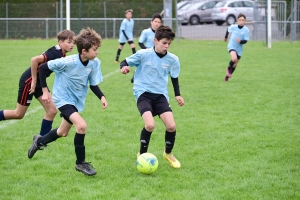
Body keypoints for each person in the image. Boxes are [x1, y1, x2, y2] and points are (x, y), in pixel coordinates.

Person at [28, 27, 108, 176]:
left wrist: (102, 96)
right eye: (95, 49)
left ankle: (38, 142)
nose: (97, 52)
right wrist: (45, 90)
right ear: (84, 51)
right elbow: (43, 68)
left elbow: (93, 83)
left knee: (62, 132)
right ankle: (81, 163)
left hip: (76, 100)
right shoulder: (67, 61)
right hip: (62, 98)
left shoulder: (95, 63)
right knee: (82, 126)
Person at [120, 25, 184, 169]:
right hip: (143, 94)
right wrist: (123, 68)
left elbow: (174, 77)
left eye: (169, 43)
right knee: (150, 125)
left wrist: (178, 95)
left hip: (160, 95)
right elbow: (125, 62)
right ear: (155, 40)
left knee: (171, 126)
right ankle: (142, 155)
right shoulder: (143, 54)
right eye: (164, 43)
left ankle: (168, 153)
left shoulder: (173, 59)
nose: (167, 46)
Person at [0, 30, 75, 136]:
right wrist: (34, 81)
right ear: (60, 42)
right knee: (18, 114)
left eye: (73, 42)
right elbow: (34, 60)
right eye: (69, 42)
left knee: (52, 110)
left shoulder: (61, 53)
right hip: (29, 81)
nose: (72, 45)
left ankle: (41, 141)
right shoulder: (55, 53)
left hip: (40, 81)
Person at [130, 13, 162, 83]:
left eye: (159, 22)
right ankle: (135, 75)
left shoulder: (161, 33)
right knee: (144, 67)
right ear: (151, 22)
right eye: (155, 21)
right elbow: (140, 43)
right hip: (147, 54)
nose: (157, 24)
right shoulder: (146, 32)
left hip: (157, 55)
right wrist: (146, 49)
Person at [224, 13, 249, 81]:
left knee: (235, 65)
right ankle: (228, 68)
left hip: (239, 48)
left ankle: (227, 77)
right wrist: (226, 37)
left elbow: (246, 41)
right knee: (234, 58)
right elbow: (228, 29)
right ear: (237, 20)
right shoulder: (234, 27)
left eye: (243, 20)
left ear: (245, 21)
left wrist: (240, 41)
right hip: (232, 45)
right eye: (240, 20)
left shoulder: (246, 30)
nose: (241, 21)